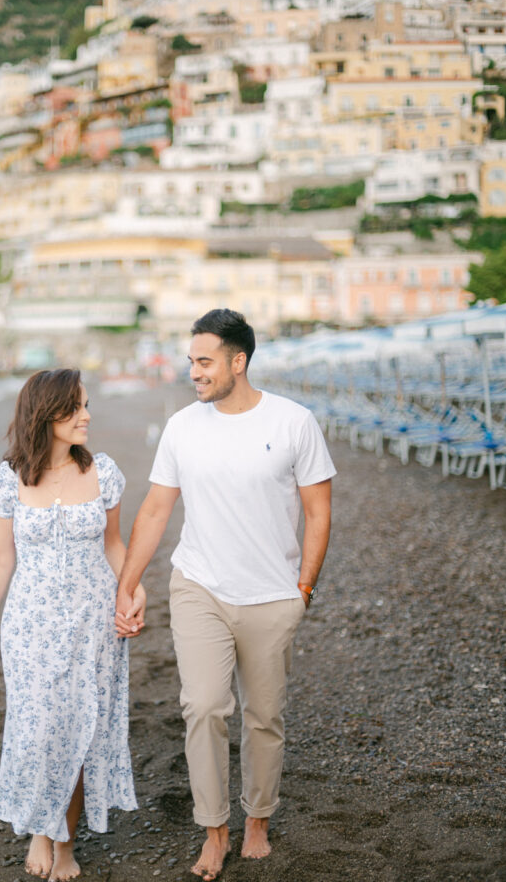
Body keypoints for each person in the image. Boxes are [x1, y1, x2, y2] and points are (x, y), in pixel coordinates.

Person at [115, 309, 335, 878]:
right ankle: (214, 830)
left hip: (272, 595)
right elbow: (158, 508)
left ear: (239, 361)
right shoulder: (184, 426)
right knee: (204, 706)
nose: (194, 372)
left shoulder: (293, 423)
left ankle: (257, 819)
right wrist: (128, 583)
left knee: (264, 716)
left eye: (205, 361)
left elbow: (318, 511)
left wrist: (302, 590)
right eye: (192, 361)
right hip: (199, 587)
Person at [0, 368, 145, 881]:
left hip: (94, 625)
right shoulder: (9, 480)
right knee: (42, 730)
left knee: (84, 732)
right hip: (31, 629)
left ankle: (63, 844)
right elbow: (0, 560)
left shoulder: (103, 472)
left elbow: (115, 546)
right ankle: (42, 832)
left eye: (87, 405)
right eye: (77, 408)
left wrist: (134, 592)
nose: (88, 415)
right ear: (46, 414)